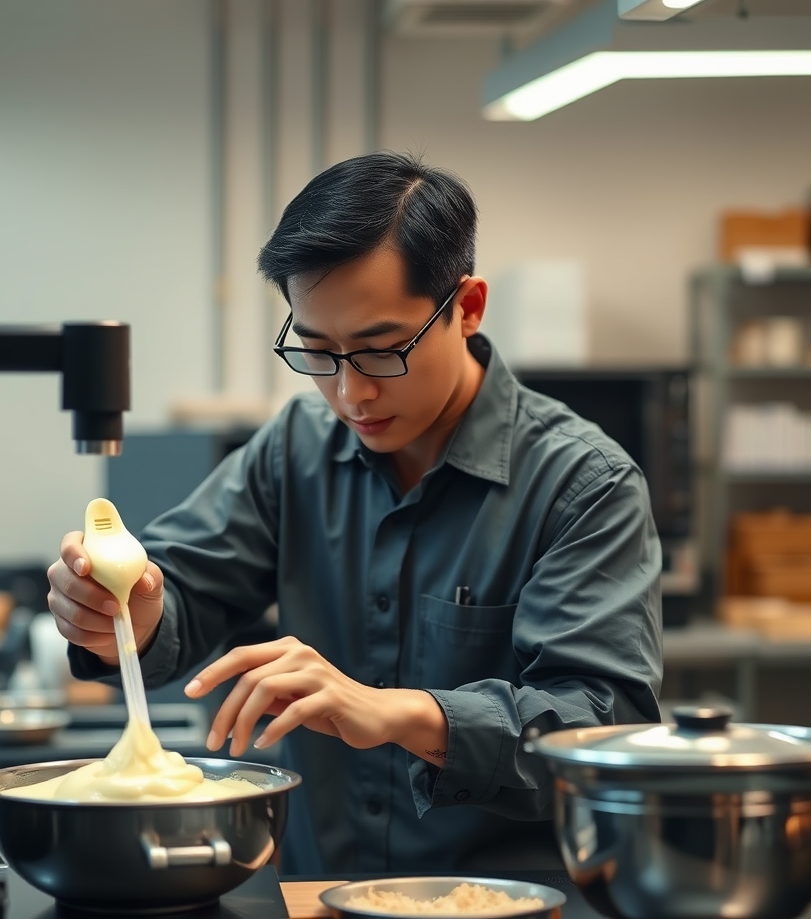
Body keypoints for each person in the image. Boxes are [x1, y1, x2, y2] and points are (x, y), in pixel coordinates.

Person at [47, 152, 662, 875]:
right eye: (317, 351)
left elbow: (604, 728)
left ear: (466, 307)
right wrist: (125, 609)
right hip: (317, 911)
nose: (350, 395)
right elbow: (179, 591)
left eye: (379, 351)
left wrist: (400, 713)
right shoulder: (295, 449)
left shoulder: (582, 485)